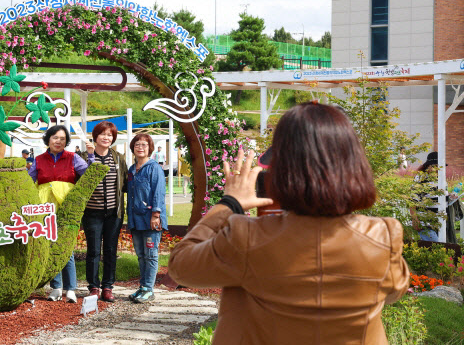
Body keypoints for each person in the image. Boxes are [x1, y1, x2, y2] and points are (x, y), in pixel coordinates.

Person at [168, 102, 409, 344]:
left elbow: (181, 267)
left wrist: (229, 204)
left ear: (282, 170)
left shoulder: (246, 237)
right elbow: (393, 291)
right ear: (353, 164)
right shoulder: (383, 236)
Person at [27, 125, 95, 303]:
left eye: (63, 139)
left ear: (67, 142)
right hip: (45, 207)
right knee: (50, 245)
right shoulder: (39, 160)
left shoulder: (73, 158)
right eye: (55, 137)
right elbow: (28, 180)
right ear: (48, 139)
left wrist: (91, 156)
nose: (58, 141)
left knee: (66, 246)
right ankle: (56, 287)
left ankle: (70, 288)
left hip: (67, 206)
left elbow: (89, 176)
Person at [79, 121, 128, 302]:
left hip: (113, 214)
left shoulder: (118, 157)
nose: (106, 138)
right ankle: (93, 287)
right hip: (92, 212)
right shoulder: (84, 157)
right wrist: (91, 155)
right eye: (103, 134)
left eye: (110, 135)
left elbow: (124, 183)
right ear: (95, 136)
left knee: (110, 249)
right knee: (93, 251)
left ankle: (108, 286)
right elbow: (81, 180)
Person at [127, 133, 167, 303]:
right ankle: (142, 287)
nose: (140, 147)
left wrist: (156, 214)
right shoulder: (131, 169)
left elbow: (158, 192)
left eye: (144, 144)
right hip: (136, 220)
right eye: (137, 144)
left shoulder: (154, 168)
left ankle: (149, 289)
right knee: (141, 255)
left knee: (151, 254)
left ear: (150, 148)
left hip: (151, 219)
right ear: (133, 148)